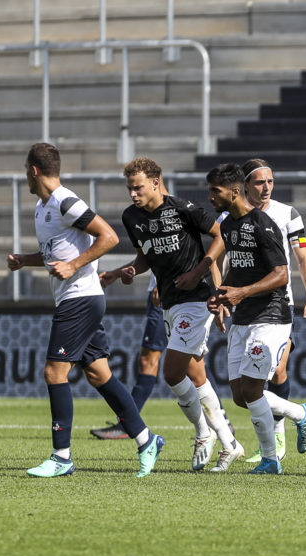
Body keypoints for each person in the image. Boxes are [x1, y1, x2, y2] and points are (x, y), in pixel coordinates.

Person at [7, 142, 164, 478]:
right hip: (76, 297)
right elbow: (55, 256)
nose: (26, 176)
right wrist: (25, 260)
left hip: (80, 297)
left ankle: (61, 457)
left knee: (54, 372)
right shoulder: (42, 207)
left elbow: (107, 237)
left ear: (33, 170)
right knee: (98, 373)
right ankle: (145, 439)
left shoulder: (66, 201)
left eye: (26, 170)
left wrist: (76, 264)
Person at [99, 157, 243, 473]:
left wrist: (199, 271)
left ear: (155, 182)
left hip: (197, 297)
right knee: (195, 375)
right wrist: (129, 270)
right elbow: (145, 255)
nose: (133, 194)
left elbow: (222, 235)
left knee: (171, 372)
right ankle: (229, 442)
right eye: (129, 188)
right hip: (170, 301)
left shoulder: (183, 208)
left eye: (137, 187)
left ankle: (203, 433)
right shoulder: (131, 217)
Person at [205, 163, 306, 475]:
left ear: (234, 191)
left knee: (254, 389)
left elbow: (282, 274)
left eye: (216, 191)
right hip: (243, 316)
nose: (211, 196)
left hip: (271, 315)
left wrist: (243, 293)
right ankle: (300, 413)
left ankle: (271, 459)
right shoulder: (227, 225)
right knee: (241, 396)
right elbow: (237, 267)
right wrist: (223, 293)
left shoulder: (263, 224)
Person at [237, 158, 306, 464]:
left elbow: (302, 258)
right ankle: (300, 415)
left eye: (270, 181)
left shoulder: (287, 213)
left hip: (278, 305)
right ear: (245, 184)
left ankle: (275, 441)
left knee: (273, 372)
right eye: (260, 182)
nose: (266, 188)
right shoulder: (232, 215)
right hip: (242, 307)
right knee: (246, 387)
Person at [88, 273, 165, 439]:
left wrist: (166, 281)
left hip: (168, 295)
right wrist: (117, 273)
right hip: (163, 293)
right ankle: (222, 421)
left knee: (152, 360)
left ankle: (126, 425)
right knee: (189, 361)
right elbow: (148, 256)